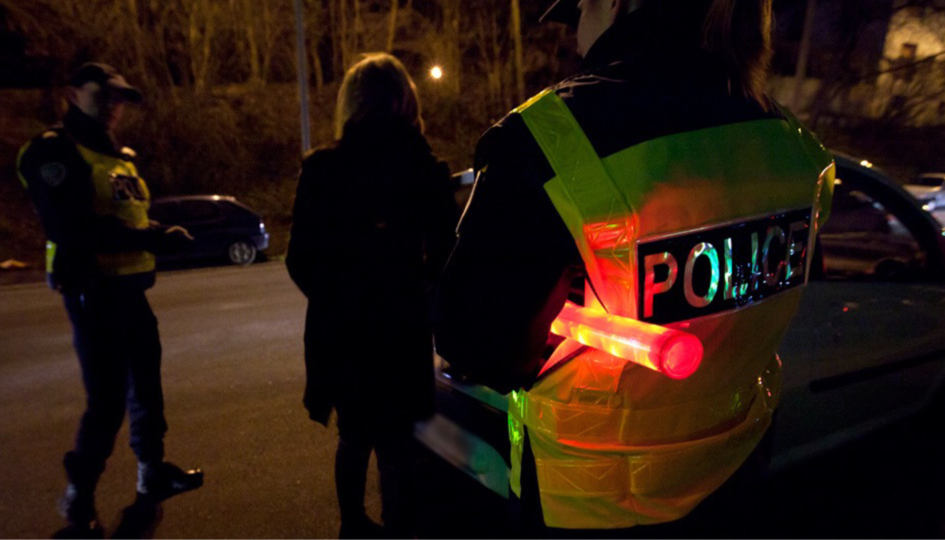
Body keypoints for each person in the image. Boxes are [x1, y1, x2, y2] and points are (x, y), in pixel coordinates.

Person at [435, 0, 834, 536]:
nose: (576, 32)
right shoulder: (790, 143)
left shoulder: (547, 141)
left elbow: (472, 343)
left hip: (592, 504)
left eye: (577, 8)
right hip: (735, 477)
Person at [17, 62, 204, 537]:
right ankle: (78, 499)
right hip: (92, 293)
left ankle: (151, 475)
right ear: (73, 92)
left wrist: (158, 233)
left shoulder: (117, 153)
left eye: (120, 97)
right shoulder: (53, 151)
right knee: (106, 402)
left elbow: (127, 214)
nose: (115, 105)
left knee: (147, 390)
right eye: (105, 94)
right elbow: (71, 227)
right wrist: (151, 239)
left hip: (131, 292)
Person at [285, 53, 458, 538]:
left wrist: (337, 299)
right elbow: (446, 255)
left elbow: (299, 259)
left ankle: (353, 524)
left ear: (351, 101)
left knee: (354, 434)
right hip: (401, 326)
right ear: (406, 99)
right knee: (400, 441)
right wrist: (414, 293)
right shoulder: (425, 169)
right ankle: (399, 523)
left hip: (342, 331)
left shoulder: (321, 168)